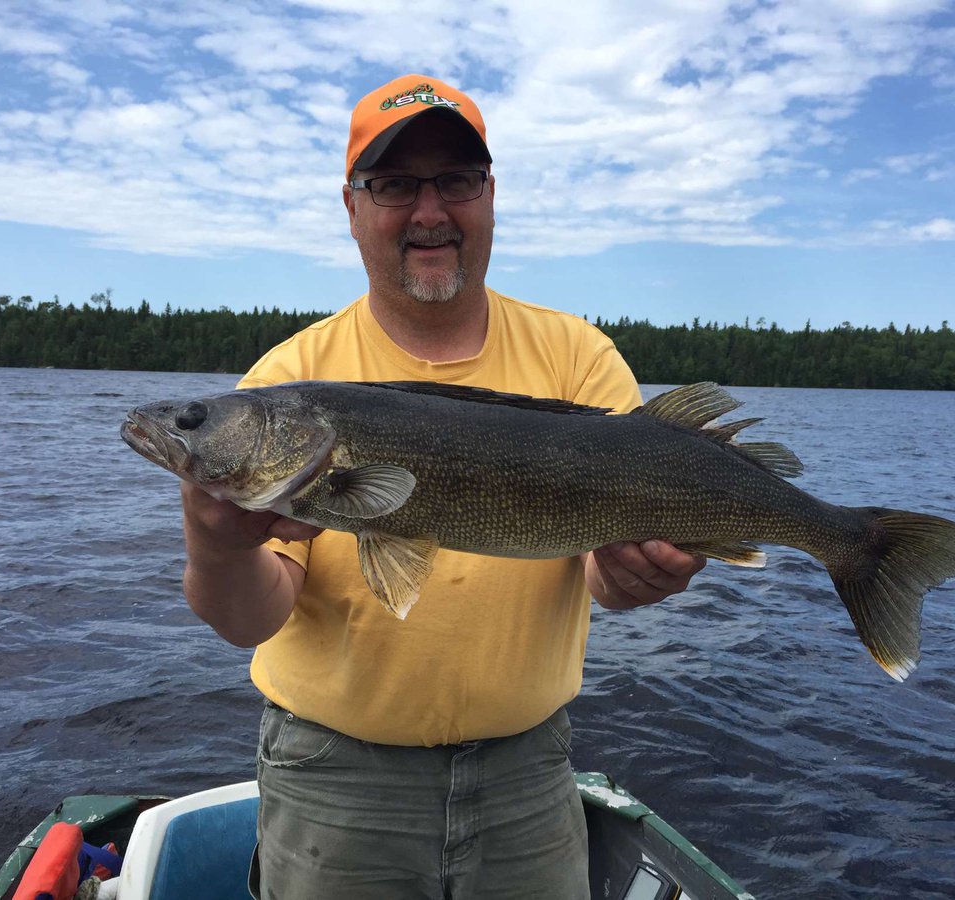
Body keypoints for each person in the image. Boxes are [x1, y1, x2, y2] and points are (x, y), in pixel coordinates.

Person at [179, 74, 706, 900]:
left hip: (529, 775)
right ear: (351, 207)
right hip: (334, 783)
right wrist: (214, 546)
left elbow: (602, 567)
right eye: (393, 185)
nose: (429, 212)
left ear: (489, 196)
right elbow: (251, 618)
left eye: (455, 180)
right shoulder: (288, 381)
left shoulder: (580, 360)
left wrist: (642, 575)